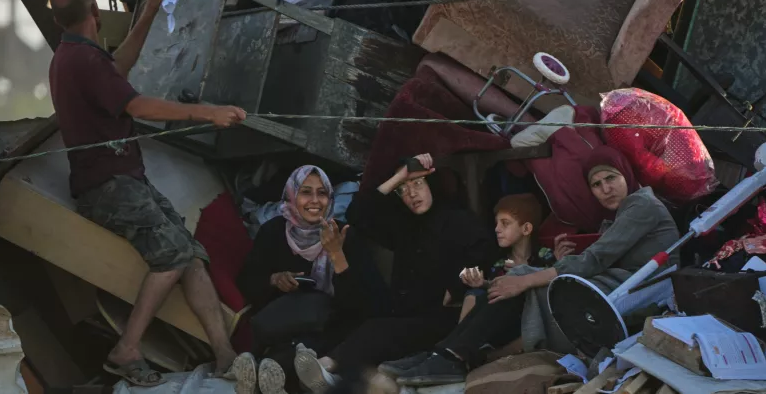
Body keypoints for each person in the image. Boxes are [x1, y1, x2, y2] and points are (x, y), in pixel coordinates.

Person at [47, 0, 247, 387]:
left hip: (123, 180)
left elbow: (118, 68)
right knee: (173, 255)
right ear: (95, 12)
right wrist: (207, 112)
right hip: (108, 186)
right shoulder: (83, 61)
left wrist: (151, 10)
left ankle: (226, 355)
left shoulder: (74, 55)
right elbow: (137, 106)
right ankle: (126, 349)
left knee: (190, 254)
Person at [290, 154, 498, 393]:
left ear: (432, 183)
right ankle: (323, 375)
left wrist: (456, 287)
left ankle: (325, 367)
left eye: (418, 183)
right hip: (404, 313)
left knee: (379, 331)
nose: (411, 194)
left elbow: (483, 256)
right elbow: (358, 214)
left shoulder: (458, 220)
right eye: (403, 189)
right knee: (361, 325)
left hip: (442, 318)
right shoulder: (404, 225)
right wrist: (400, 176)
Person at [484, 145, 680, 353]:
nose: (606, 189)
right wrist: (558, 260)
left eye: (611, 178)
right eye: (596, 184)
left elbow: (596, 258)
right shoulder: (616, 217)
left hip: (646, 291)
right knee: (520, 276)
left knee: (536, 284)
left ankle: (482, 351)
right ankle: (472, 349)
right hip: (623, 286)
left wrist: (525, 281)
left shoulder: (642, 205)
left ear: (626, 174)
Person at [386, 193, 556, 386]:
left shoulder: (545, 256)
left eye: (505, 223)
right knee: (478, 294)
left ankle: (453, 356)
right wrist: (482, 284)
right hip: (502, 321)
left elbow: (547, 291)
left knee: (501, 293)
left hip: (527, 319)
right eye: (497, 223)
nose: (497, 229)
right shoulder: (499, 261)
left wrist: (523, 275)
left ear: (526, 228)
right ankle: (442, 353)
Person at [233, 165, 376, 394]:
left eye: (322, 193)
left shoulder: (344, 235)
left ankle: (265, 378)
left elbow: (365, 302)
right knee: (284, 349)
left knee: (299, 355)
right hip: (285, 324)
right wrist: (275, 279)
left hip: (333, 327)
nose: (315, 201)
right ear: (291, 195)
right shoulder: (273, 231)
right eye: (306, 192)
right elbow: (247, 280)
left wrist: (337, 256)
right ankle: (263, 376)